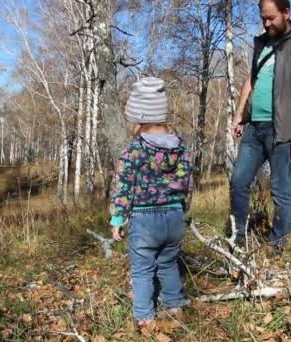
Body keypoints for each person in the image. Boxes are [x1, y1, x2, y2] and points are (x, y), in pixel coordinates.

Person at [230, 0, 291, 254]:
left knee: (280, 190)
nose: (266, 23)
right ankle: (239, 237)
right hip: (254, 128)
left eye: (271, 18)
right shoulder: (263, 43)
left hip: (283, 130)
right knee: (238, 181)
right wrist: (239, 114)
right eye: (263, 18)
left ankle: (276, 243)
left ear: (286, 13)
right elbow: (252, 79)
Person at [109, 77, 193, 327]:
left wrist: (117, 218)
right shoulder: (181, 148)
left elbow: (123, 185)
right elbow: (188, 182)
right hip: (174, 217)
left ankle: (145, 319)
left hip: (145, 219)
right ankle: (175, 306)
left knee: (143, 270)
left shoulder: (134, 149)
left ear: (138, 117)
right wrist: (183, 209)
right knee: (167, 263)